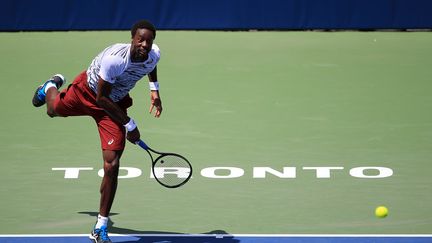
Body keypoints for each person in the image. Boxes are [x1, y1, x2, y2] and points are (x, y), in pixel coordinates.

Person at [31, 20, 162, 243]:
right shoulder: (115, 60)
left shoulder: (154, 54)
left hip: (115, 101)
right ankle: (51, 86)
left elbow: (150, 66)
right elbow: (101, 99)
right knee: (52, 110)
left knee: (112, 165)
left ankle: (100, 225)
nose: (144, 44)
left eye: (149, 41)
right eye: (140, 39)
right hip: (89, 93)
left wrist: (154, 90)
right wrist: (129, 125)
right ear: (132, 38)